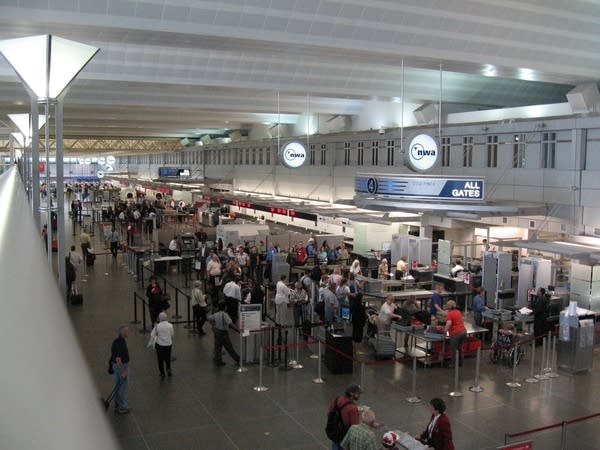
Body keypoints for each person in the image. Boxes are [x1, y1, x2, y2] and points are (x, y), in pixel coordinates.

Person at [327, 384, 362, 450]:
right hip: (344, 436)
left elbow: (329, 413)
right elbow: (355, 427)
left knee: (335, 446)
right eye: (358, 393)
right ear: (351, 394)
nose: (359, 395)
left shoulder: (337, 399)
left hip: (334, 431)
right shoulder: (353, 408)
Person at [208, 302, 240, 367]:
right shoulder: (225, 315)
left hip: (217, 332)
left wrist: (213, 324)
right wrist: (238, 330)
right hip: (223, 333)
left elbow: (209, 318)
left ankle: (218, 361)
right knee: (229, 347)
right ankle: (238, 359)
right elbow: (230, 324)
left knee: (217, 347)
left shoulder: (215, 314)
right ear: (225, 308)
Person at [110, 325, 131, 414]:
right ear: (122, 332)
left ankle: (117, 405)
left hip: (116, 366)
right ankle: (122, 406)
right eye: (127, 331)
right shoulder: (121, 343)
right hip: (121, 366)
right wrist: (123, 371)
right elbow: (118, 358)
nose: (128, 332)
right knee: (122, 387)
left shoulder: (116, 341)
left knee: (117, 385)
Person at [151, 312, 174, 378]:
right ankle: (168, 369)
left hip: (160, 344)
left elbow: (153, 335)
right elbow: (172, 335)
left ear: (159, 318)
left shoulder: (157, 326)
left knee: (160, 359)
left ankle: (162, 373)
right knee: (168, 357)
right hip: (168, 344)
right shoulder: (170, 325)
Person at [444, 300, 466, 367]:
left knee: (454, 349)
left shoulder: (450, 314)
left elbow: (449, 324)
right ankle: (461, 363)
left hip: (456, 333)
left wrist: (444, 331)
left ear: (448, 306)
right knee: (460, 348)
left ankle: (453, 364)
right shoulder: (458, 312)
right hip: (463, 331)